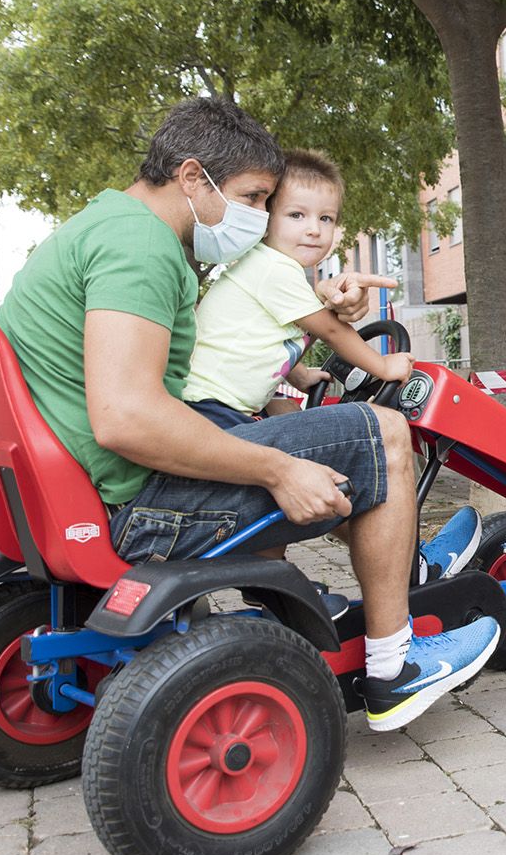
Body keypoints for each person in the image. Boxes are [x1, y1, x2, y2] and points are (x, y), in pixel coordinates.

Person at [0, 96, 498, 731]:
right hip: (138, 506)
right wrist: (275, 469)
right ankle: (394, 669)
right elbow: (126, 417)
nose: (259, 217)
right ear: (191, 177)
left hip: (78, 495)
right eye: (254, 197)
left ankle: (373, 581)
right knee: (385, 433)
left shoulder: (98, 227)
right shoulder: (140, 248)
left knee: (314, 445)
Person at [180, 147, 482, 589]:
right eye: (297, 215)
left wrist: (298, 375)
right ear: (267, 217)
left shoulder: (261, 270)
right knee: (343, 469)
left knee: (290, 485)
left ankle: (279, 593)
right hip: (215, 411)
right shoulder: (275, 270)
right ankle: (396, 573)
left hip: (212, 407)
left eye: (326, 219)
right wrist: (384, 364)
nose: (314, 230)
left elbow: (251, 340)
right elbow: (332, 331)